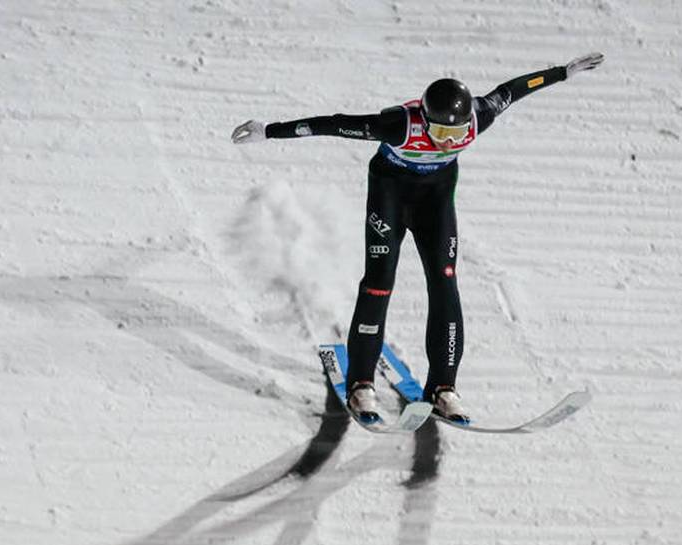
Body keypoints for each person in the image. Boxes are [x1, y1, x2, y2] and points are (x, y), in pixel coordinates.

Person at [231, 52, 605, 425]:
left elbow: (514, 90)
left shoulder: (478, 117)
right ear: (426, 121)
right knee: (378, 285)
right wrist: (270, 130)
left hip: (434, 202)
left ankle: (444, 387)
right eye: (440, 133)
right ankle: (361, 383)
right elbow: (333, 124)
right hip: (390, 196)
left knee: (445, 283)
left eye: (456, 135)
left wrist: (562, 73)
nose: (448, 142)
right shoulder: (398, 125)